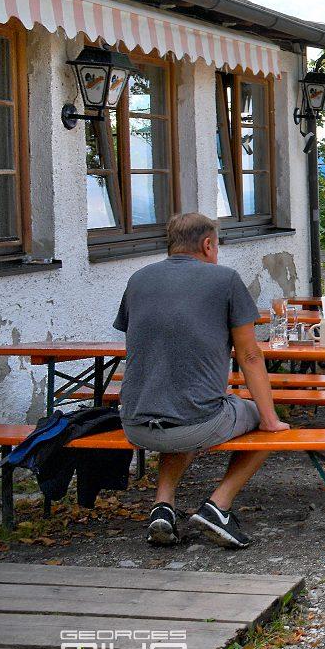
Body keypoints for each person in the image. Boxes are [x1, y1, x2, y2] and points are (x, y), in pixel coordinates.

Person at [114, 212, 288, 549]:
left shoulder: (138, 279)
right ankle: (218, 507)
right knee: (262, 422)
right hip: (194, 422)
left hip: (133, 421)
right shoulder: (225, 281)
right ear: (207, 244)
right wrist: (270, 419)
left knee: (179, 407)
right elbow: (249, 356)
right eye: (216, 245)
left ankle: (162, 506)